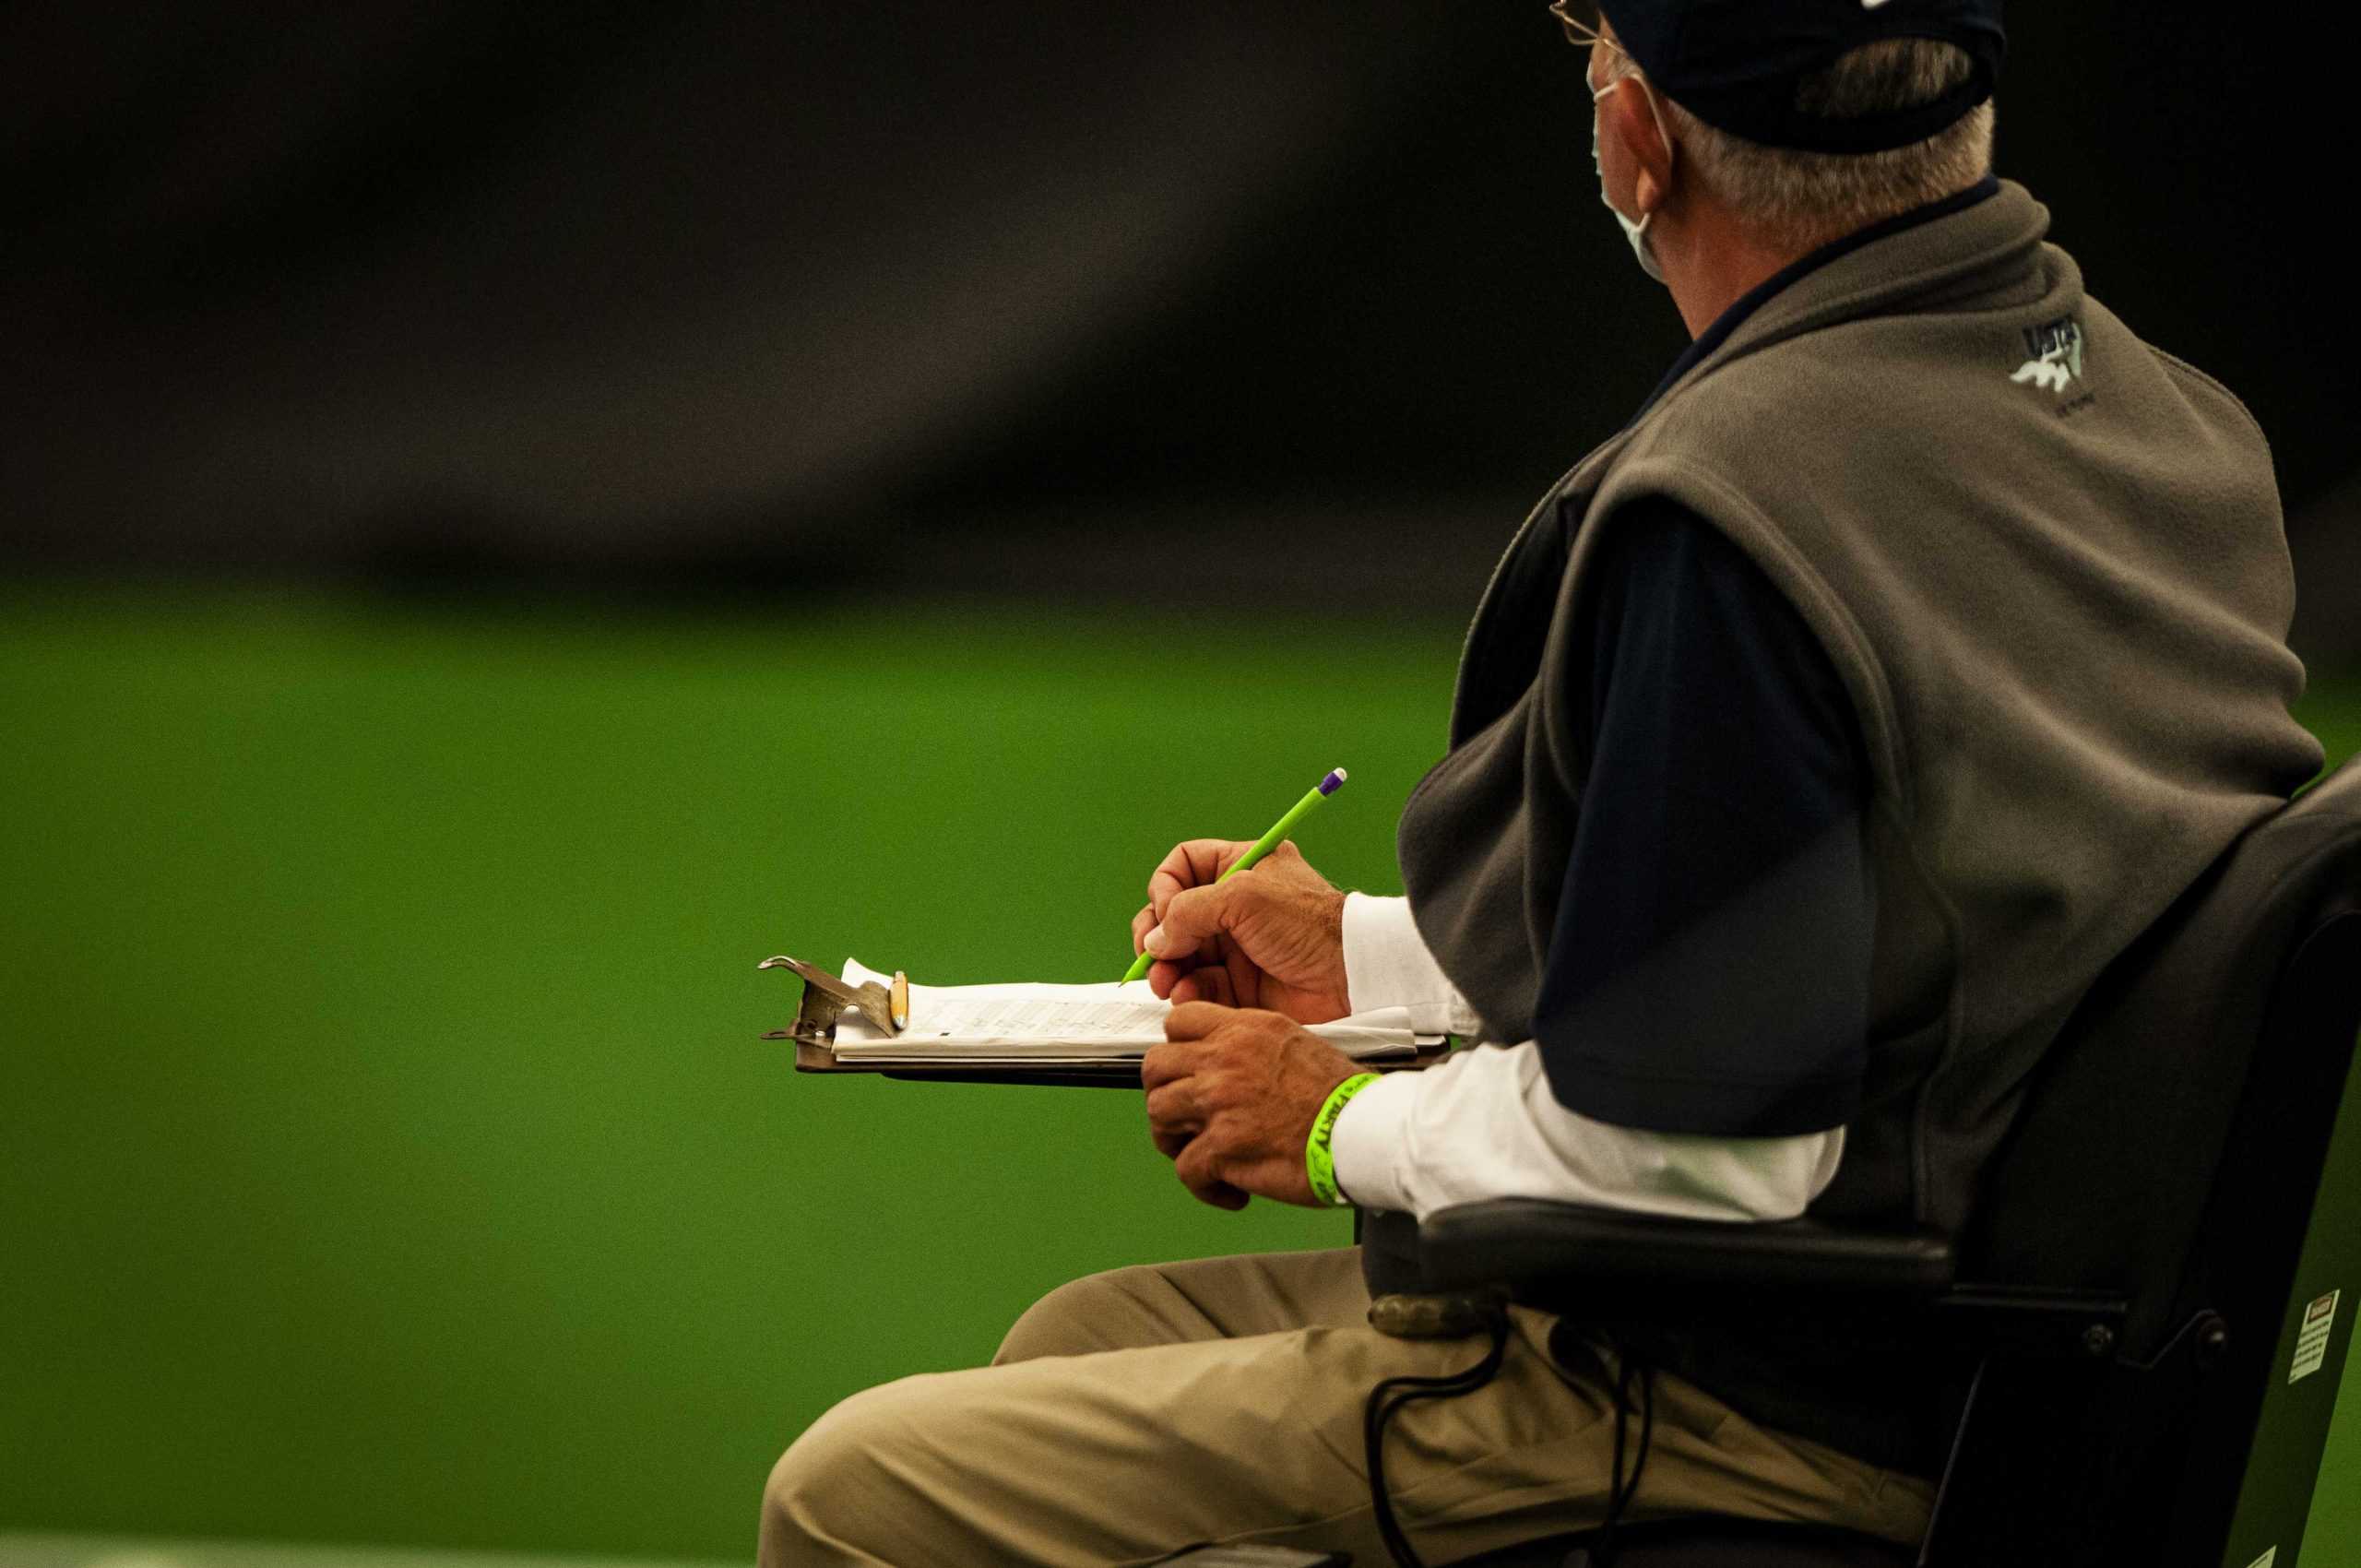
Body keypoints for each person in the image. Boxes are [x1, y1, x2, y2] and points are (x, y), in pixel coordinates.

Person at [760, 1, 2325, 1562]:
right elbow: (1883, 909)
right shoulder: (2152, 412)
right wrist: (1364, 950)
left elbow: (1705, 1149)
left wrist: (1333, 1122)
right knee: (1080, 1339)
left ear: (1640, 145)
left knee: (855, 1495)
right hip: (1973, 1346)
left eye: (1597, 53)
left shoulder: (1728, 519)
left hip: (1761, 1399)